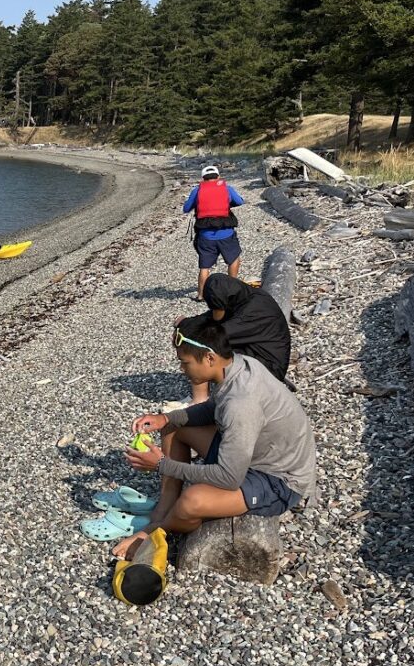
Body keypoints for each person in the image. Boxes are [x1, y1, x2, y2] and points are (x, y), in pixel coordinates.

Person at [114, 320, 317, 561]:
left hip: (278, 479)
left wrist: (161, 465)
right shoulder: (238, 365)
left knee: (191, 501)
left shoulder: (242, 404)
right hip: (254, 453)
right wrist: (165, 418)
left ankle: (158, 532)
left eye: (185, 362)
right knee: (173, 427)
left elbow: (229, 478)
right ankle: (162, 512)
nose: (182, 369)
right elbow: (213, 406)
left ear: (209, 358)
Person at [175, 274, 292, 403]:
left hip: (270, 370)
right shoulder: (244, 297)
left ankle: (200, 400)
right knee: (198, 339)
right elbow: (211, 317)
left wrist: (186, 333)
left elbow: (216, 334)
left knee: (203, 345)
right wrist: (186, 322)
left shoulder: (252, 313)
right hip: (258, 354)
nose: (215, 311)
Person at [184, 165, 245, 302]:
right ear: (218, 177)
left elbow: (186, 208)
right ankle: (232, 288)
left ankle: (201, 295)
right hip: (226, 233)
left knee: (205, 266)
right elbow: (240, 201)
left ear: (203, 178)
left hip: (205, 236)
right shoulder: (226, 189)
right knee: (234, 259)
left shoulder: (197, 190)